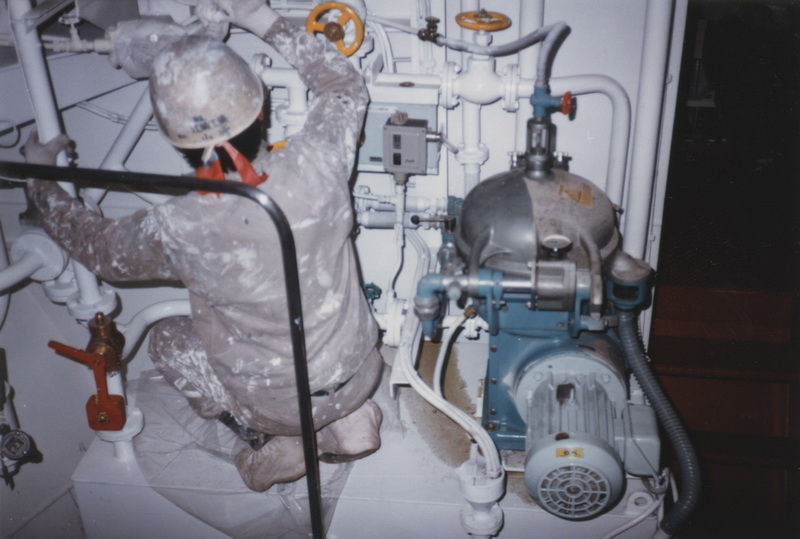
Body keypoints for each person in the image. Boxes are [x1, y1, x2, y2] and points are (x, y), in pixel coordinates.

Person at [24, 0, 383, 492]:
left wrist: (39, 178)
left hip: (279, 405)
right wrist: (257, 17)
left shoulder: (179, 227)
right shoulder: (320, 160)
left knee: (166, 340)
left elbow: (96, 247)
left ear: (174, 138)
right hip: (359, 370)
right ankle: (353, 419)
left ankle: (278, 441)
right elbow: (342, 83)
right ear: (261, 108)